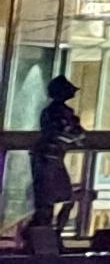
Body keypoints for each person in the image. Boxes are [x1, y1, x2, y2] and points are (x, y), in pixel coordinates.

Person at [23, 73, 85, 254]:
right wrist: (72, 134)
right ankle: (42, 240)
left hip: (54, 158)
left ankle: (52, 236)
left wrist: (73, 134)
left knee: (66, 198)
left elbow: (77, 134)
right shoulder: (54, 112)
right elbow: (68, 133)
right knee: (46, 204)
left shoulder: (62, 112)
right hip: (47, 159)